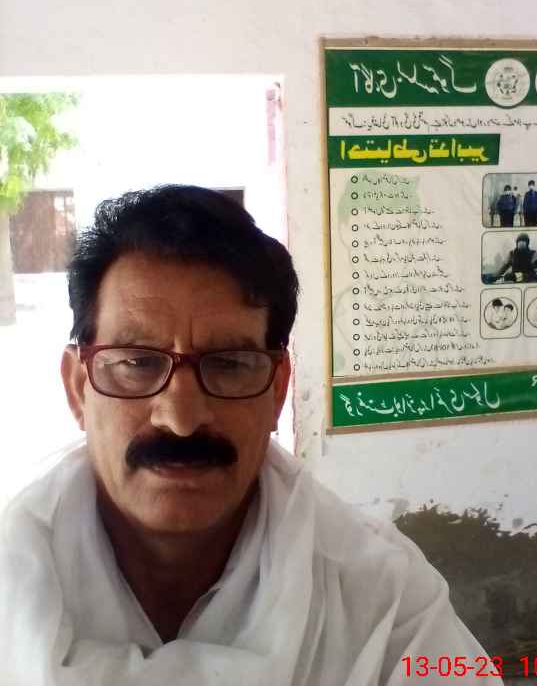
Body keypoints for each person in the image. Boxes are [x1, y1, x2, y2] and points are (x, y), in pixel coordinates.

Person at [0, 185, 500, 685]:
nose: (181, 419)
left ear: (278, 391)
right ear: (78, 388)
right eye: (136, 363)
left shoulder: (382, 598)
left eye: (230, 365)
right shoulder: (13, 578)